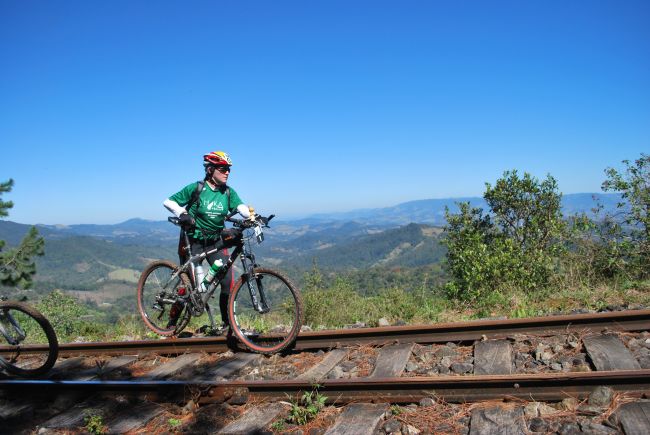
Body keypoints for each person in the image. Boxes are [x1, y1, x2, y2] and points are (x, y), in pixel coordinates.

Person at [163, 150, 250, 332]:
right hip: (191, 241)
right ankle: (171, 325)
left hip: (215, 241)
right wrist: (182, 213)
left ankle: (228, 325)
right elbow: (168, 202)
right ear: (210, 169)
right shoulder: (197, 188)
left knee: (226, 281)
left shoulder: (227, 192)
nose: (227, 172)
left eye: (228, 169)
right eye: (223, 168)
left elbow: (241, 207)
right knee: (188, 285)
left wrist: (251, 216)